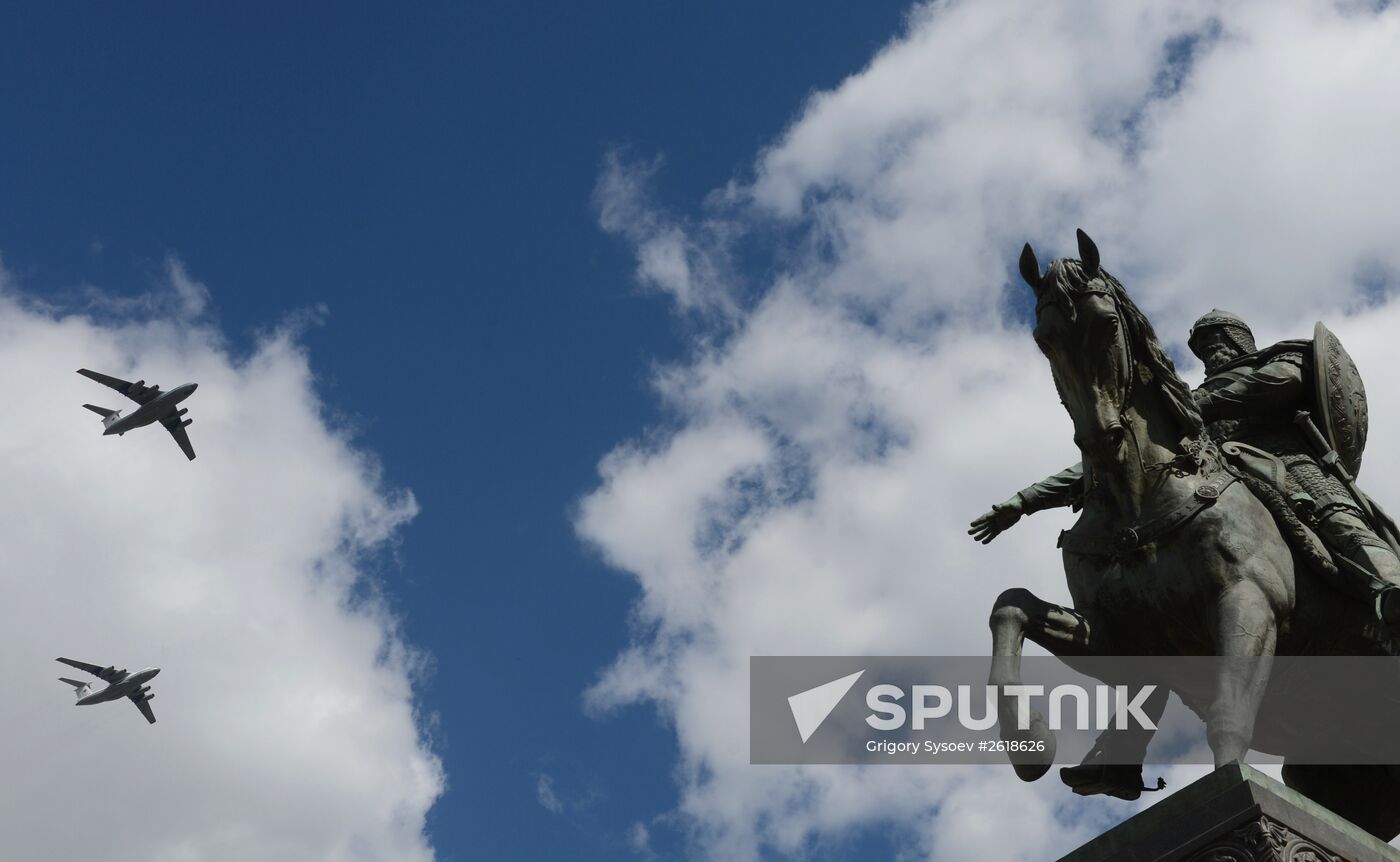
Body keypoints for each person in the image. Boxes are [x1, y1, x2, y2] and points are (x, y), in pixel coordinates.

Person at [970, 309, 1400, 629]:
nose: (1211, 349)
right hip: (1212, 475)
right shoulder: (1184, 404)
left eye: (1218, 339)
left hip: (1283, 462)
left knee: (1333, 514)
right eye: (1202, 345)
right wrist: (1025, 500)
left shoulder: (1276, 360)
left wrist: (1201, 406)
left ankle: (1388, 586)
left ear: (1238, 338)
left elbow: (1281, 382)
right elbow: (1121, 460)